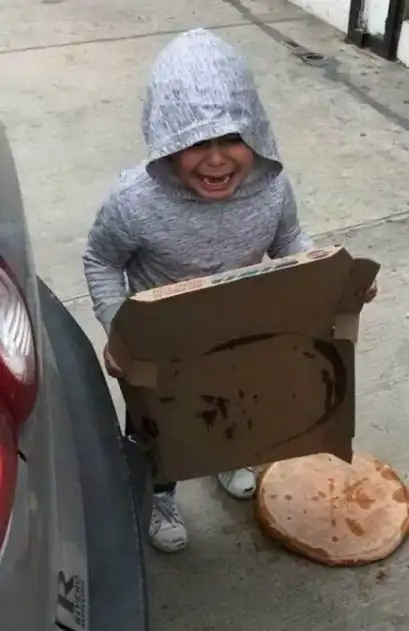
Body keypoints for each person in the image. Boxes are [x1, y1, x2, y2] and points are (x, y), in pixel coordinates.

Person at [83, 28, 377, 554]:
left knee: (236, 410)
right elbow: (101, 260)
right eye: (196, 143)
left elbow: (289, 240)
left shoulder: (272, 187)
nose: (216, 160)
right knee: (158, 433)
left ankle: (224, 459)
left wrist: (332, 277)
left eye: (231, 139)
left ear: (255, 130)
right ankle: (159, 496)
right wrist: (117, 327)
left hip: (241, 335)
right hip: (163, 347)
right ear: (166, 138)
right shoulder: (134, 202)